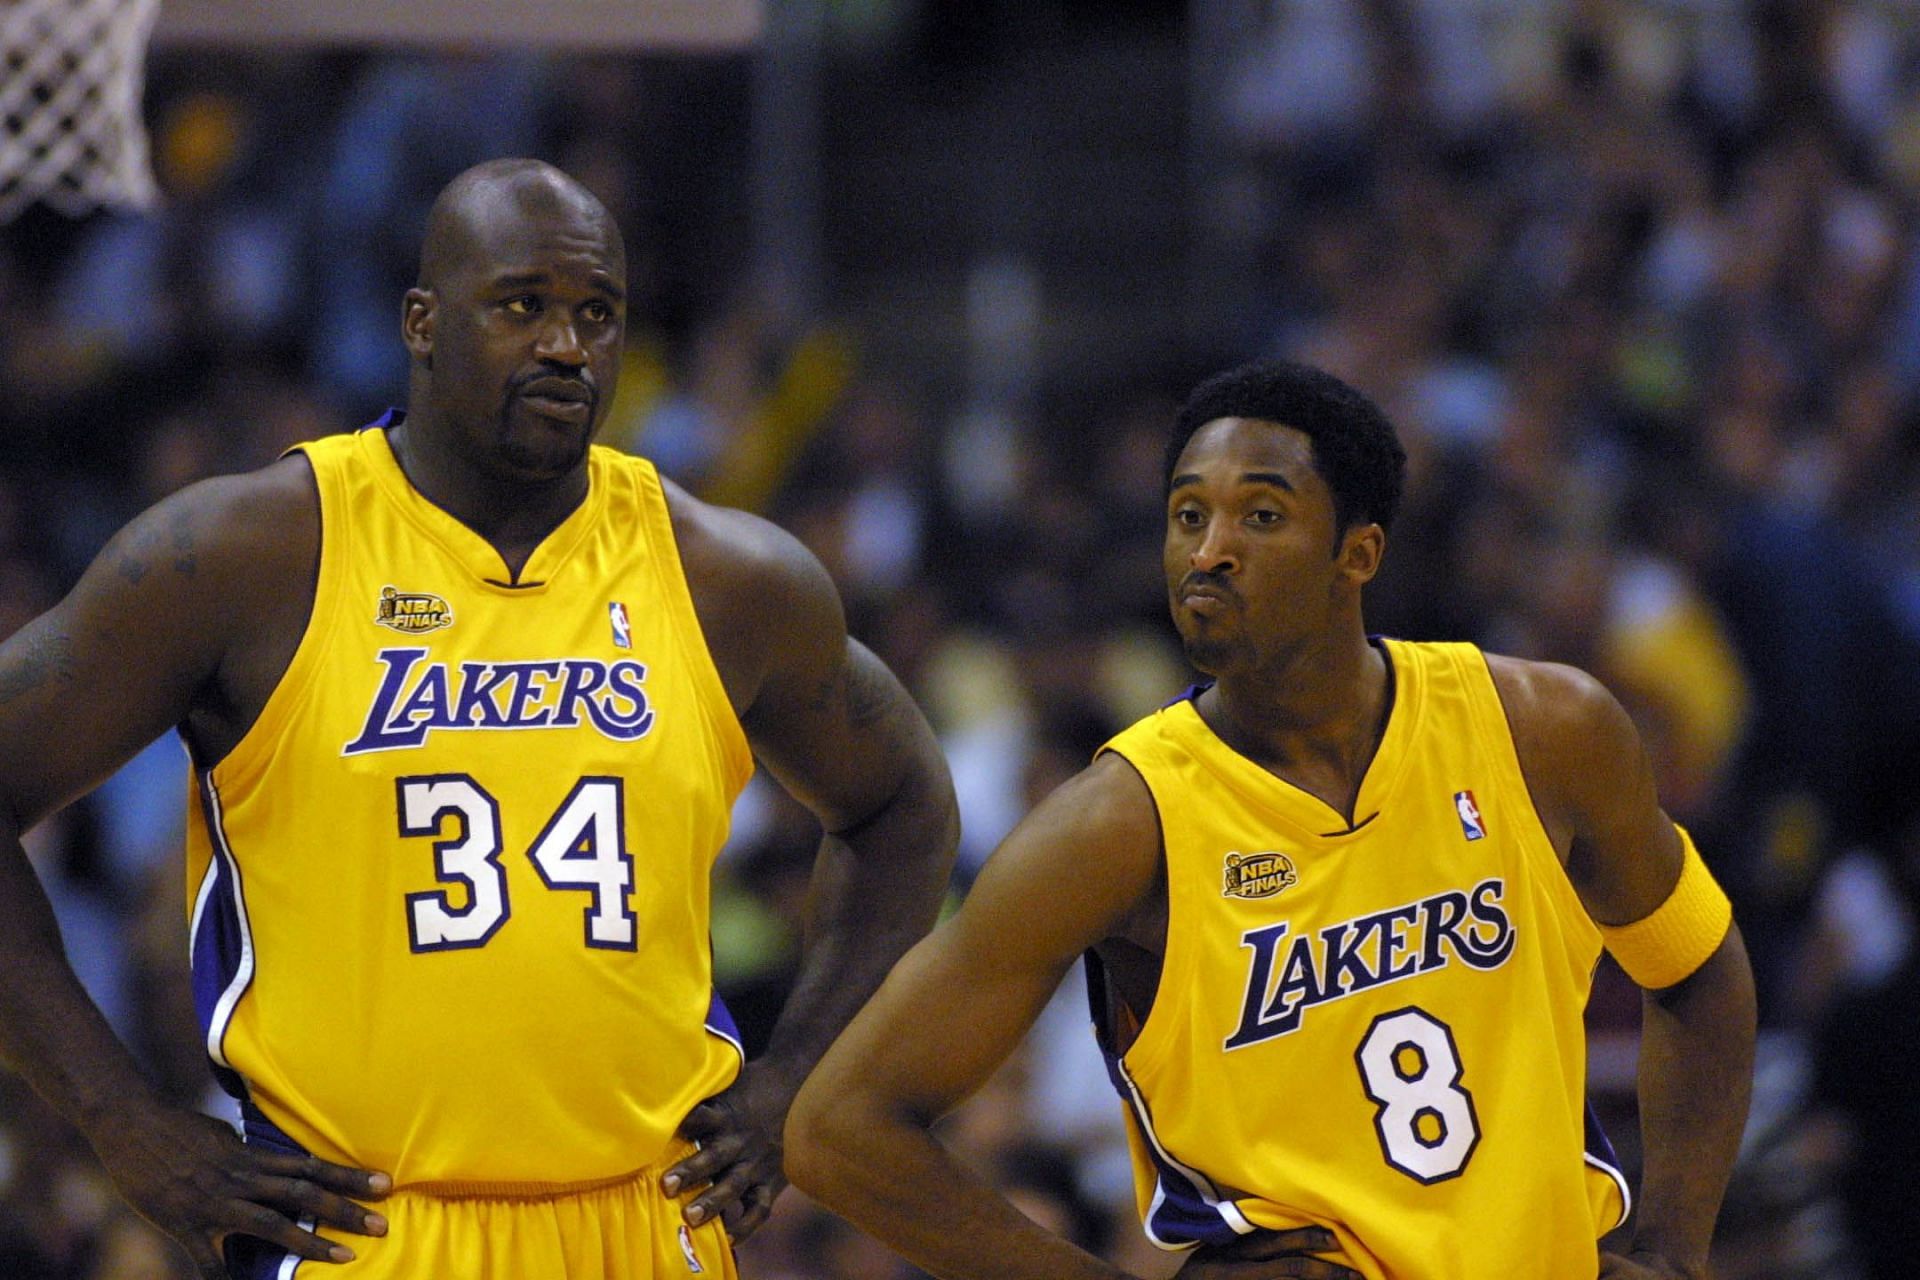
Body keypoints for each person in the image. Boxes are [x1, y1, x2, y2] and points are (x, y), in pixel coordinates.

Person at [0, 157, 958, 1279]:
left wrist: (794, 1082)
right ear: (421, 321)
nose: (566, 345)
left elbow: (906, 805)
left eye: (597, 314)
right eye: (522, 304)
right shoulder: (244, 555)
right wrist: (119, 1118)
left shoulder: (726, 577)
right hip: (364, 1227)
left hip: (646, 1222)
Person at [786, 360, 1757, 1280]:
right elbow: (839, 1127)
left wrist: (1674, 1245)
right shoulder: (1122, 822)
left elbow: (1702, 967)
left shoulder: (1546, 730)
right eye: (1186, 514)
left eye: (1260, 513)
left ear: (1357, 553)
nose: (1209, 549)